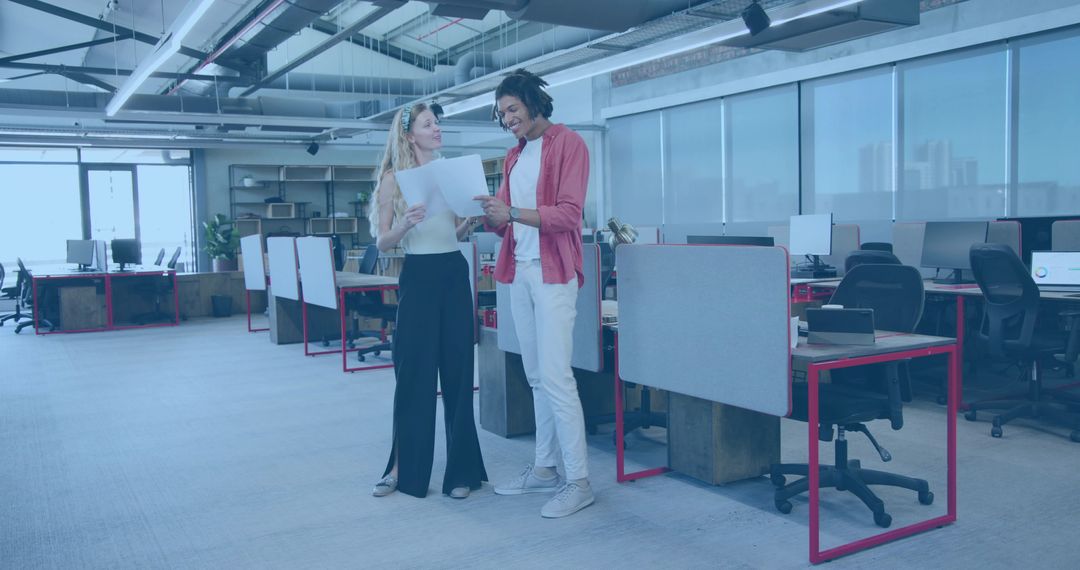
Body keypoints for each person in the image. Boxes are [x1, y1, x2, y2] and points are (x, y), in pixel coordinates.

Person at [475, 69, 593, 518]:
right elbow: (504, 219)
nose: (508, 119)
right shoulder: (515, 156)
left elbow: (568, 215)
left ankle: (579, 481)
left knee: (558, 376)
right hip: (520, 272)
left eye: (513, 109)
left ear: (532, 103)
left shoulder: (569, 144)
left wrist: (511, 212)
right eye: (502, 113)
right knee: (537, 377)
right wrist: (485, 213)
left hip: (553, 272)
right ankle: (545, 468)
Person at [369, 101, 487, 499]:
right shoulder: (393, 180)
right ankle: (401, 470)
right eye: (427, 124)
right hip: (418, 276)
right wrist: (405, 223)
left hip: (453, 272)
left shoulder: (449, 171)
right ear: (409, 135)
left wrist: (469, 219)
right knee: (413, 376)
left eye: (437, 123)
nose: (436, 129)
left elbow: (453, 232)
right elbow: (382, 242)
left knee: (458, 373)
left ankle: (462, 474)